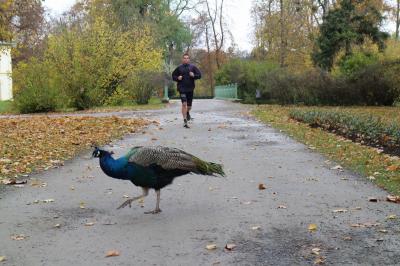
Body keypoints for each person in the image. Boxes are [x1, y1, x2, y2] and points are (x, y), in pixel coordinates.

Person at [172, 53, 201, 128]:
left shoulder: (193, 67)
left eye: (187, 58)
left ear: (189, 59)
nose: (186, 59)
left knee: (189, 106)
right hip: (182, 88)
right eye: (184, 58)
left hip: (190, 88)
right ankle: (185, 120)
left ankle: (187, 112)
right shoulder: (179, 68)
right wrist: (178, 78)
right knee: (184, 104)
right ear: (182, 59)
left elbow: (199, 75)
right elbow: (173, 76)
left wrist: (194, 76)